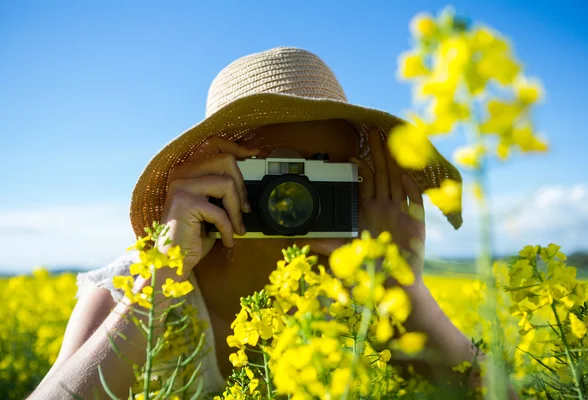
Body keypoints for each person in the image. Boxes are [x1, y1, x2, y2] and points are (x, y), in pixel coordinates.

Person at [30, 46, 486, 399]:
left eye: (323, 168)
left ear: (361, 182)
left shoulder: (365, 300)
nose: (295, 192)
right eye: (276, 168)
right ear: (214, 170)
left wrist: (401, 284)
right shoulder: (140, 282)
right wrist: (161, 273)